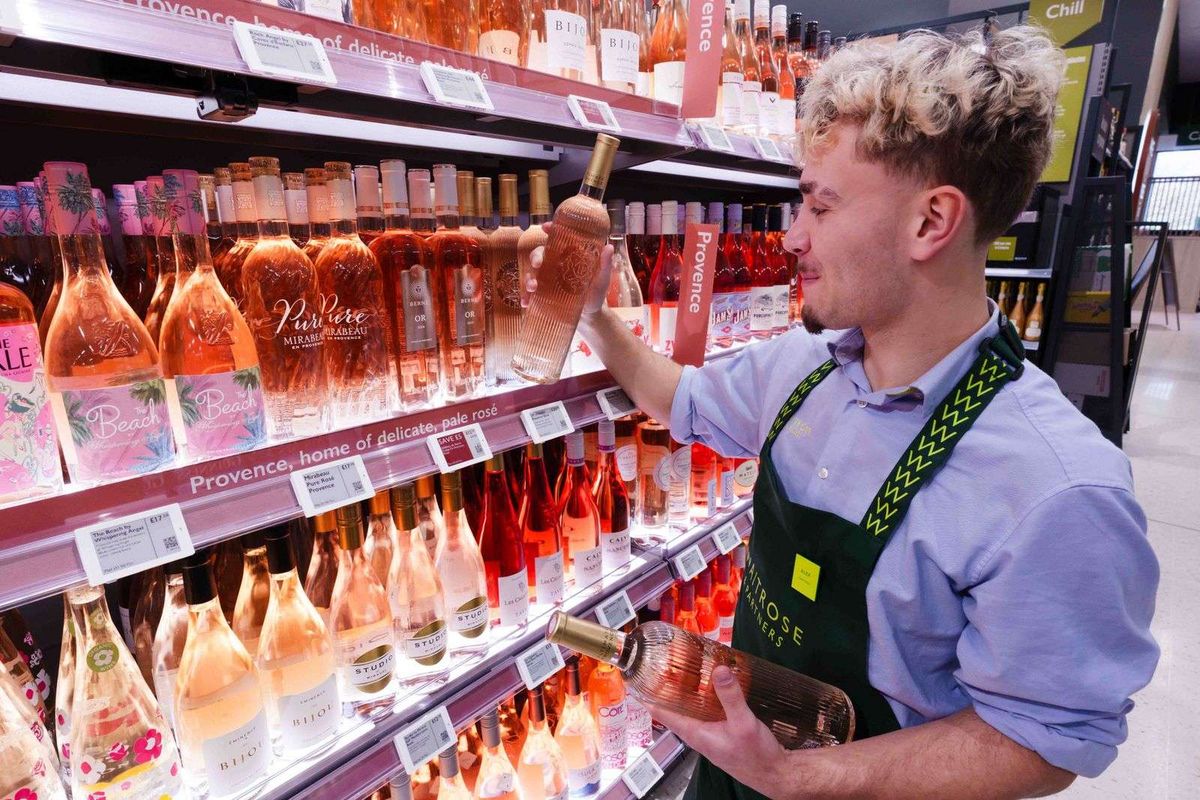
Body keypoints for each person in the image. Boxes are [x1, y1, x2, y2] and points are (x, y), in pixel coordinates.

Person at [529, 23, 1159, 800]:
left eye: (820, 208)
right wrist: (597, 316)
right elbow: (682, 400)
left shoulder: (1057, 489)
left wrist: (800, 779)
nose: (792, 237)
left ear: (931, 222)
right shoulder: (801, 367)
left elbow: (1042, 741)